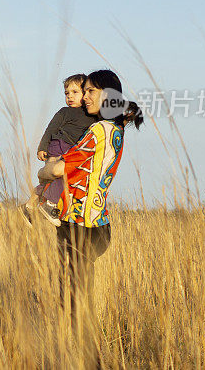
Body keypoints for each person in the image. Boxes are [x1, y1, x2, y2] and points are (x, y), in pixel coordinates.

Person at [38, 69, 143, 358]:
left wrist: (42, 171)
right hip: (98, 224)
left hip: (79, 226)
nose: (84, 97)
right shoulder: (116, 131)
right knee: (76, 298)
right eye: (83, 92)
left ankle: (90, 361)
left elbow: (58, 169)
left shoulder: (98, 131)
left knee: (74, 302)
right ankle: (79, 358)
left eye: (91, 92)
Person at [20, 74, 97, 225]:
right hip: (60, 145)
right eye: (67, 93)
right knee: (62, 175)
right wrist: (42, 147)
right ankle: (50, 205)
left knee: (49, 182)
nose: (70, 96)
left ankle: (28, 206)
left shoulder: (91, 114)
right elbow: (50, 129)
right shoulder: (65, 112)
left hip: (69, 149)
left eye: (75, 92)